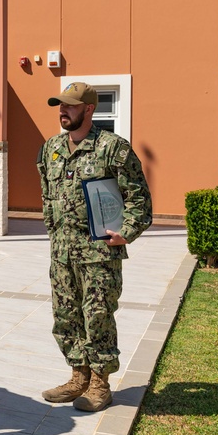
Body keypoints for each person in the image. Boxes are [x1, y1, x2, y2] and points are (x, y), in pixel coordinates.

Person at [37, 82, 152, 412]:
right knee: (66, 316)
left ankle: (100, 383)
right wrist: (54, 232)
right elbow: (48, 195)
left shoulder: (112, 148)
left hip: (99, 254)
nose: (62, 111)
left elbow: (139, 199)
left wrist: (126, 232)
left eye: (70, 106)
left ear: (89, 109)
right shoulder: (51, 149)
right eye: (60, 105)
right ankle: (78, 376)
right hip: (62, 253)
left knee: (97, 316)